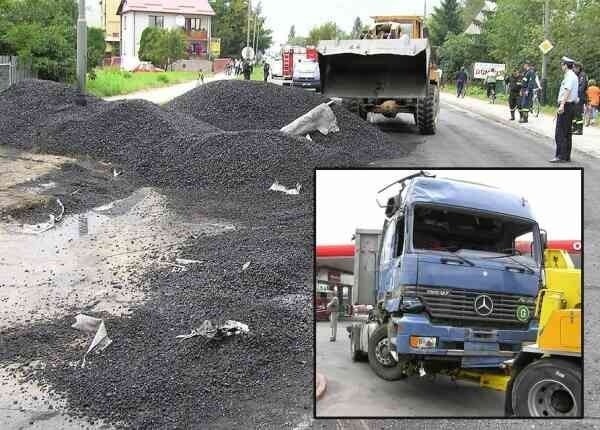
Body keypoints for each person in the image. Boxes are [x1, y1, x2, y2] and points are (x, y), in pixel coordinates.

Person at [551, 56, 579, 163]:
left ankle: (560, 156)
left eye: (562, 64)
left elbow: (567, 91)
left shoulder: (569, 76)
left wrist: (562, 105)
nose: (561, 66)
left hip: (566, 106)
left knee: (560, 132)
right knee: (567, 132)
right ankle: (566, 156)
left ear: (566, 66)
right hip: (570, 105)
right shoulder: (574, 76)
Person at [572, 62, 588, 135]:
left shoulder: (582, 75)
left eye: (575, 68)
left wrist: (576, 94)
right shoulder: (576, 75)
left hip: (580, 96)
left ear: (578, 68)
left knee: (578, 113)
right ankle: (574, 128)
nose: (573, 69)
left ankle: (579, 130)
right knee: (574, 113)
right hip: (575, 96)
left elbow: (582, 87)